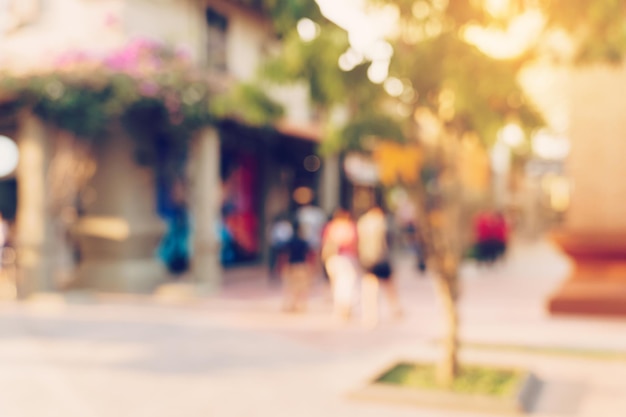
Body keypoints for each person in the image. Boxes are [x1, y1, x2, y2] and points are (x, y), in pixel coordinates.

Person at [357, 205, 403, 328]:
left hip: (367, 258)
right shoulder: (383, 223)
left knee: (370, 288)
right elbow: (390, 242)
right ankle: (395, 309)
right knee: (388, 286)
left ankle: (369, 315)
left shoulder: (362, 222)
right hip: (381, 258)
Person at [321, 208, 359, 321]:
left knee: (337, 284)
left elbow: (324, 243)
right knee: (347, 284)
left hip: (333, 259)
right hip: (346, 259)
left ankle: (340, 309)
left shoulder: (330, 227)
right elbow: (355, 243)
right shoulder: (350, 227)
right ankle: (345, 308)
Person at [280, 220, 315, 313]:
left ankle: (292, 304)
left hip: (291, 265)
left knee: (291, 286)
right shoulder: (303, 242)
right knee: (302, 286)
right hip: (301, 266)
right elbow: (308, 255)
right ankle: (300, 305)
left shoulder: (290, 241)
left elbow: (285, 255)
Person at [267, 213, 294, 284]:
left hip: (280, 244)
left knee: (281, 260)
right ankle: (278, 272)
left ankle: (280, 272)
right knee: (279, 259)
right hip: (279, 244)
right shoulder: (284, 225)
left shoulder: (282, 225)